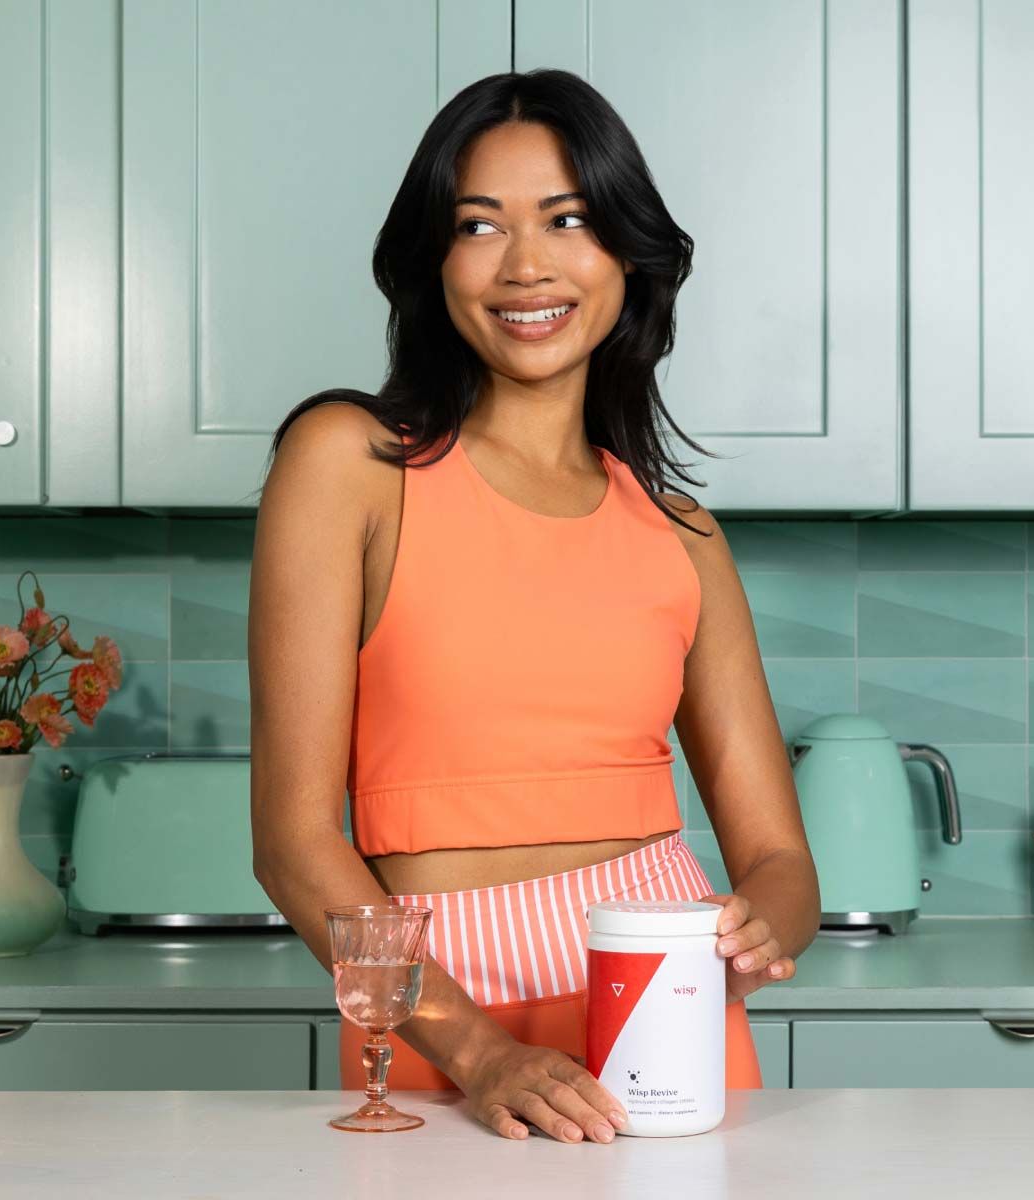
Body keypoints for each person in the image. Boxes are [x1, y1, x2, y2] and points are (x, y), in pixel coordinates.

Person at [248, 68, 821, 1144]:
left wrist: (756, 935)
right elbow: (289, 837)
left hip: (658, 1003)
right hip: (435, 1017)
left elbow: (783, 865)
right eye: (478, 224)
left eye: (569, 219)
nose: (526, 265)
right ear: (435, 260)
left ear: (625, 255)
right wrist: (477, 1050)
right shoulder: (347, 466)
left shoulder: (684, 535)